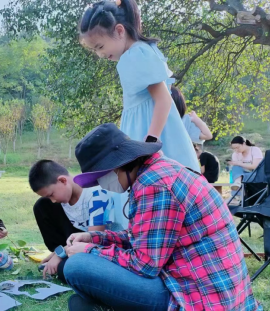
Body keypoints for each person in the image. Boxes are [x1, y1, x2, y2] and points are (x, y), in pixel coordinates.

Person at [62, 123, 261, 311]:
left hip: (198, 299)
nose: (101, 184)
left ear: (119, 165)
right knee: (83, 264)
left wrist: (90, 250)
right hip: (219, 292)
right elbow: (142, 238)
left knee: (76, 266)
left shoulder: (154, 185)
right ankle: (107, 303)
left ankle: (110, 307)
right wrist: (94, 237)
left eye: (102, 176)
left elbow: (145, 264)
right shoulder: (160, 171)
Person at [78, 0, 200, 230]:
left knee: (157, 199)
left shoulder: (135, 56)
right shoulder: (136, 54)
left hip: (151, 135)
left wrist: (150, 144)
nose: (100, 54)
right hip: (142, 131)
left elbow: (163, 100)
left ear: (119, 31)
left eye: (100, 47)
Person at [28, 159, 113, 281]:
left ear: (63, 180)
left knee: (67, 270)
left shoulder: (97, 195)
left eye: (51, 194)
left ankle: (63, 258)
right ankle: (63, 255)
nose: (53, 200)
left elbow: (95, 239)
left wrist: (59, 255)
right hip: (76, 242)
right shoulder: (62, 198)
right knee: (41, 205)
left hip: (99, 247)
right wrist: (58, 251)